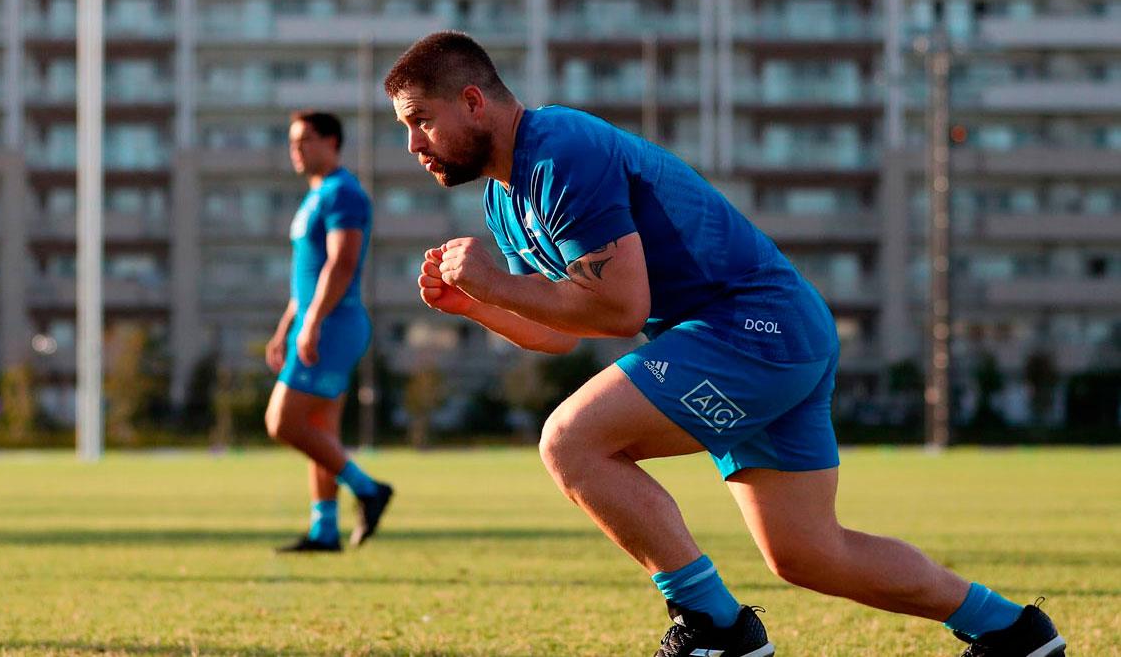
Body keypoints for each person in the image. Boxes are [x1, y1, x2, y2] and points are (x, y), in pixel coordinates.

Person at [383, 32, 1064, 657]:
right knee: (807, 554)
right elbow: (564, 332)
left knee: (571, 441)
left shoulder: (559, 149)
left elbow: (622, 308)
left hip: (751, 330)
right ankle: (1013, 632)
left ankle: (715, 627)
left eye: (421, 120)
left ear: (473, 101)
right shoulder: (506, 199)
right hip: (773, 334)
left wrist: (499, 283)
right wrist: (481, 303)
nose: (414, 144)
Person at [264, 110, 393, 553]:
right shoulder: (316, 196)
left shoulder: (344, 193)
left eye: (304, 140)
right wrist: (286, 328)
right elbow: (308, 276)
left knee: (282, 422)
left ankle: (369, 489)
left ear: (331, 142)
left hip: (335, 324)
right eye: (292, 141)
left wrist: (314, 323)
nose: (295, 150)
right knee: (320, 431)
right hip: (317, 322)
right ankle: (324, 530)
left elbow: (340, 265)